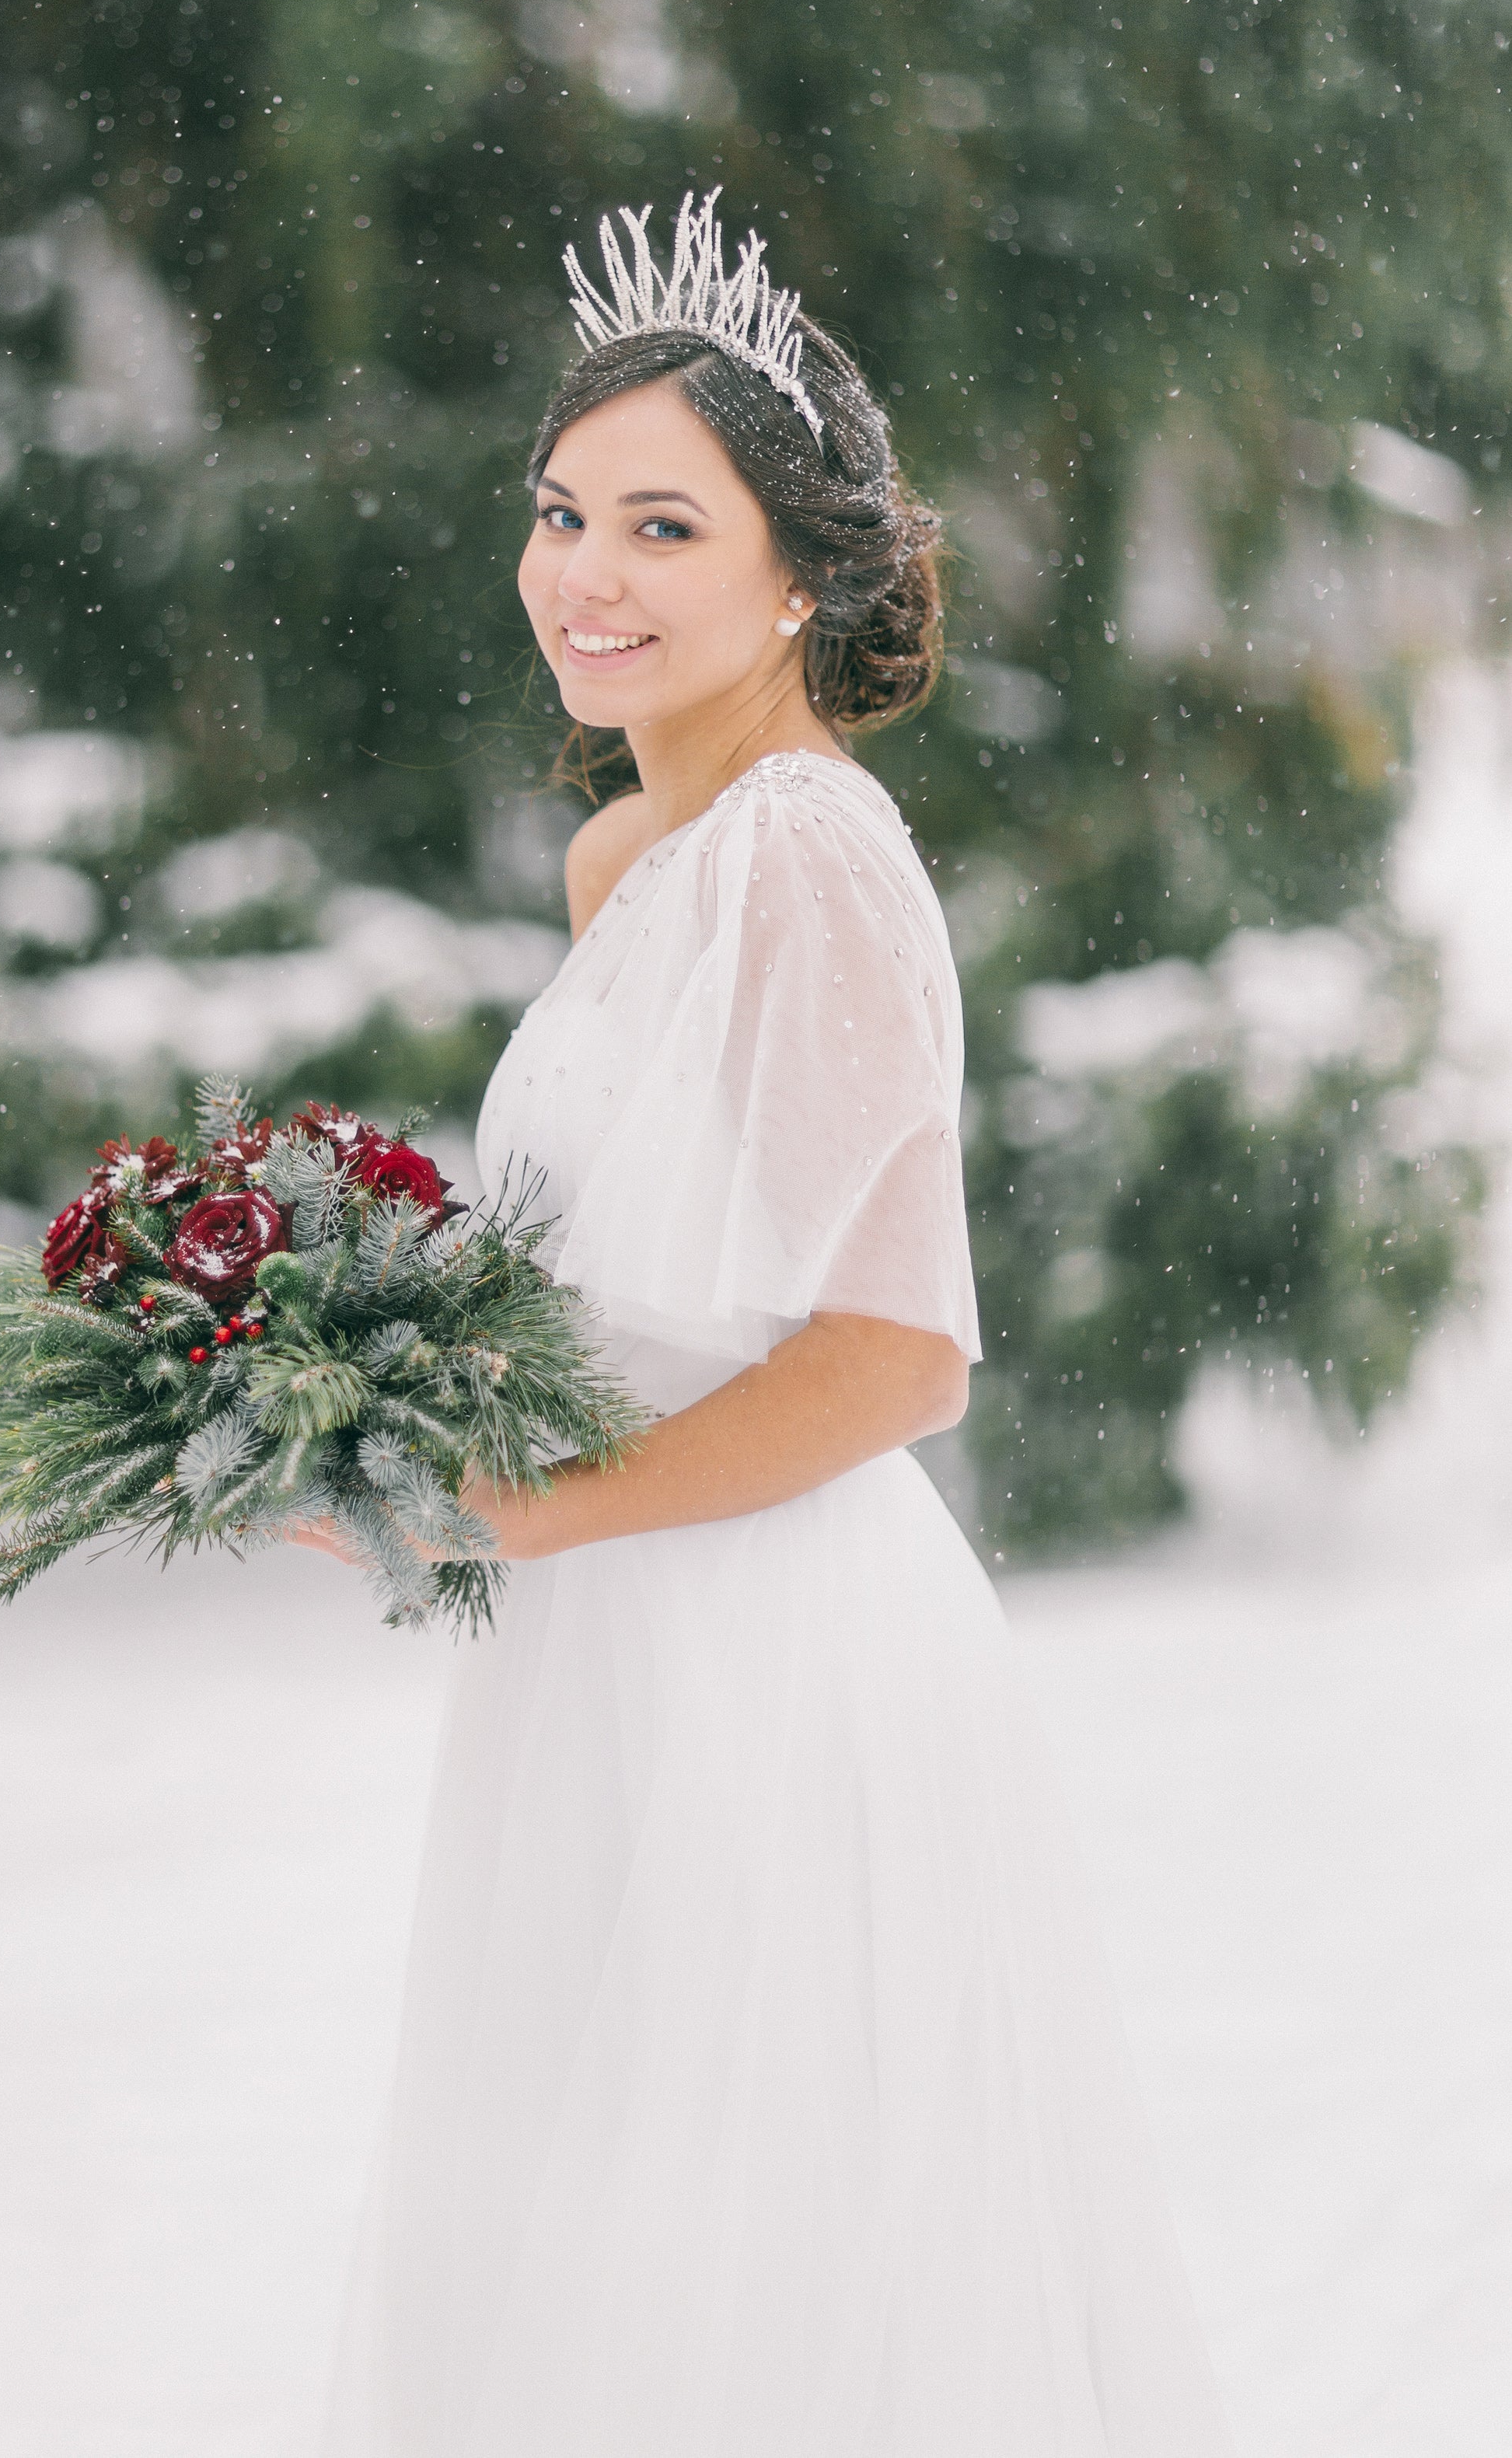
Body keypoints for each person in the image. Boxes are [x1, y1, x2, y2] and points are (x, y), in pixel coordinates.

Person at [313, 192, 1234, 2456]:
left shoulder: (806, 850)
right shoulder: (630, 858)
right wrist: (346, 1398)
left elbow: (896, 1353)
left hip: (763, 1660)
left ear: (798, 572)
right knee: (597, 2275)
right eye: (555, 514)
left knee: (761, 2297)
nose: (580, 575)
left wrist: (523, 1513)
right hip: (602, 1654)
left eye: (656, 525)